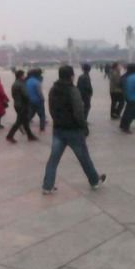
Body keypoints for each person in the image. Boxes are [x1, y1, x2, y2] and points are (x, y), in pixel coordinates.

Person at [42, 65, 106, 194]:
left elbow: (51, 108)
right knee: (84, 157)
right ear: (71, 76)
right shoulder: (73, 90)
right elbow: (78, 112)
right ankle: (94, 181)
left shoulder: (53, 90)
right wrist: (84, 126)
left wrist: (57, 121)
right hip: (73, 131)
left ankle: (47, 186)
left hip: (58, 130)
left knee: (53, 159)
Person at [6, 70, 38, 143]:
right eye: (23, 75)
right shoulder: (21, 84)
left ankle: (30, 135)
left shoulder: (15, 83)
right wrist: (30, 100)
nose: (24, 76)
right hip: (22, 105)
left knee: (25, 121)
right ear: (21, 76)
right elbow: (26, 95)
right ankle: (10, 136)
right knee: (19, 121)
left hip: (17, 104)